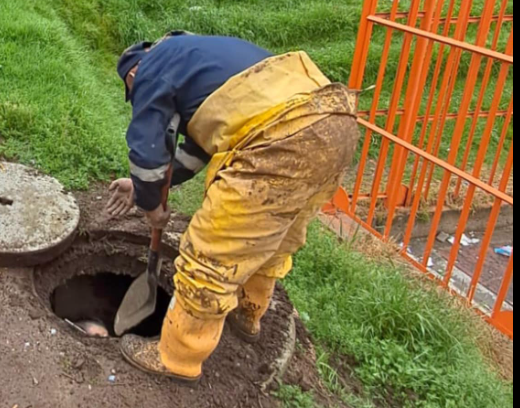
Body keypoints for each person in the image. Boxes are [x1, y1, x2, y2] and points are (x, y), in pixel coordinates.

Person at [105, 32, 359, 382]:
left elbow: (148, 152)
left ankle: (177, 356)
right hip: (333, 117)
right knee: (275, 236)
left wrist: (151, 206)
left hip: (281, 138)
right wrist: (140, 188)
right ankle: (247, 312)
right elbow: (196, 150)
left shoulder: (149, 71)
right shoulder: (197, 61)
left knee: (212, 250)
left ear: (131, 76)